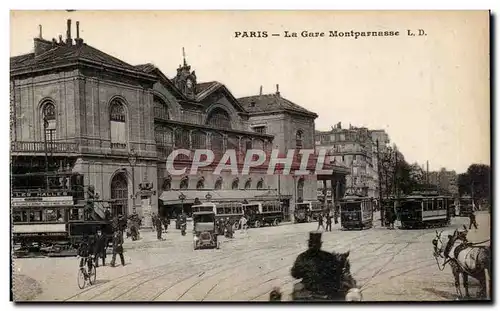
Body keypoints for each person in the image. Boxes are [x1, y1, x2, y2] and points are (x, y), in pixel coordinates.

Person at [291, 231, 340, 299]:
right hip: (327, 291)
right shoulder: (329, 256)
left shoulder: (302, 257)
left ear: (309, 244)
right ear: (320, 244)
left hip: (308, 290)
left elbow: (295, 274)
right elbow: (337, 273)